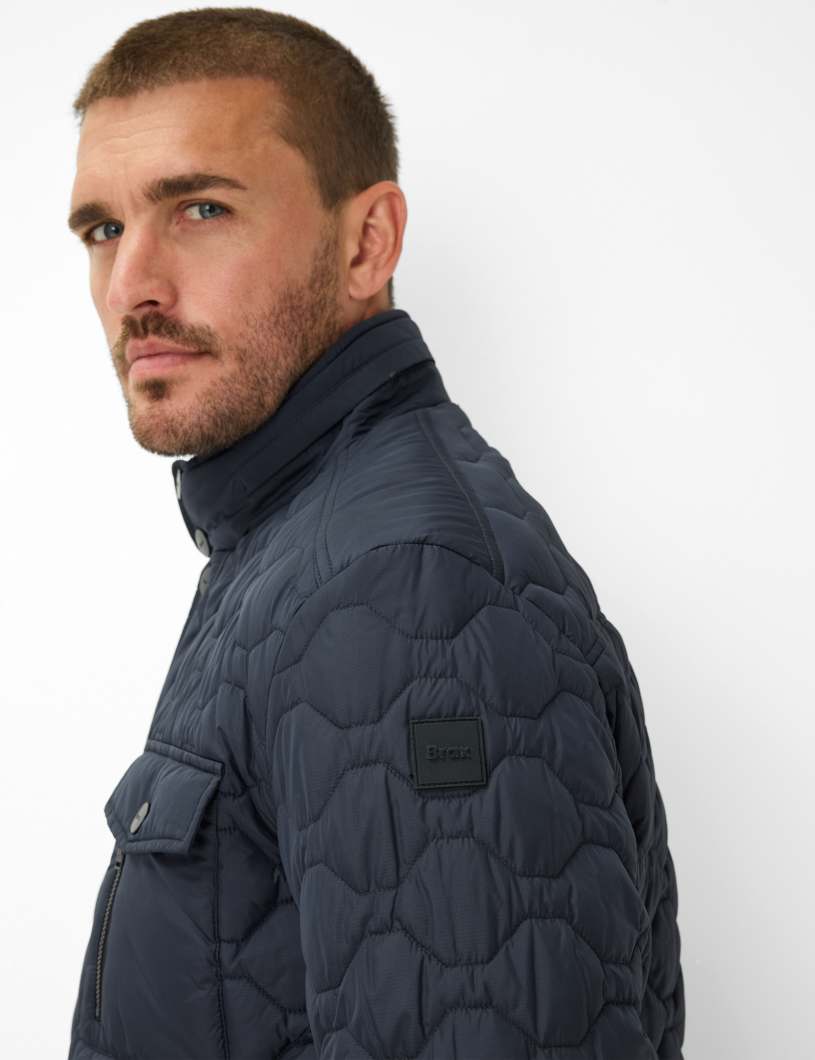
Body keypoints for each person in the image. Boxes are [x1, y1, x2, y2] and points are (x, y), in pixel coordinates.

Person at [65, 9, 684, 1059]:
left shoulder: (404, 593)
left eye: (201, 208)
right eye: (102, 230)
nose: (132, 288)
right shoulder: (301, 540)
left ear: (366, 245)